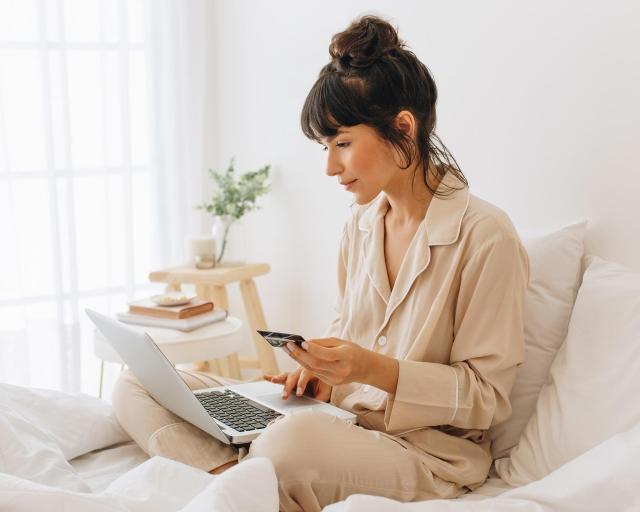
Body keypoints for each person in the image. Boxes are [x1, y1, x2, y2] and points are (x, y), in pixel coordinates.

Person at [112, 14, 529, 512]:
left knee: (291, 447)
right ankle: (231, 478)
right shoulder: (360, 225)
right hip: (336, 420)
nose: (331, 167)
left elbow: (487, 396)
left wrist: (373, 370)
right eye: (325, 147)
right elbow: (350, 331)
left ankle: (243, 478)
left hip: (423, 451)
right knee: (137, 382)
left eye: (343, 144)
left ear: (403, 128)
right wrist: (321, 375)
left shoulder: (485, 235)